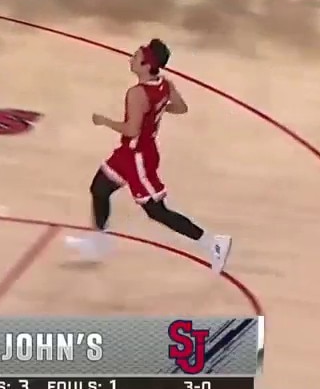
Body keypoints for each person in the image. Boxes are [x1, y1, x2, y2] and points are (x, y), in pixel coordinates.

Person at [68, 39, 232, 274]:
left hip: (138, 157)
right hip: (132, 152)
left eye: (135, 57)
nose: (130, 59)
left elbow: (131, 130)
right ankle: (99, 244)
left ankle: (213, 243)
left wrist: (104, 121)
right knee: (100, 188)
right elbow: (180, 107)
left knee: (156, 211)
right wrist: (157, 109)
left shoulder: (136, 94)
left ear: (146, 65)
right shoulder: (164, 85)